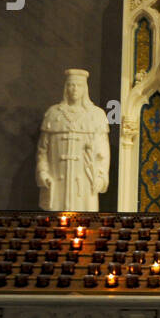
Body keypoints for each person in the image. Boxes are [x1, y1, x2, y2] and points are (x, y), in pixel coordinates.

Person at [36, 69, 111, 211]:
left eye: (79, 85)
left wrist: (101, 178)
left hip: (84, 186)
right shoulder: (53, 114)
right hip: (57, 185)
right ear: (66, 87)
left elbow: (103, 154)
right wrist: (43, 173)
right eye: (71, 85)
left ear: (85, 89)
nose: (74, 89)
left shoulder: (96, 115)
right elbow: (42, 151)